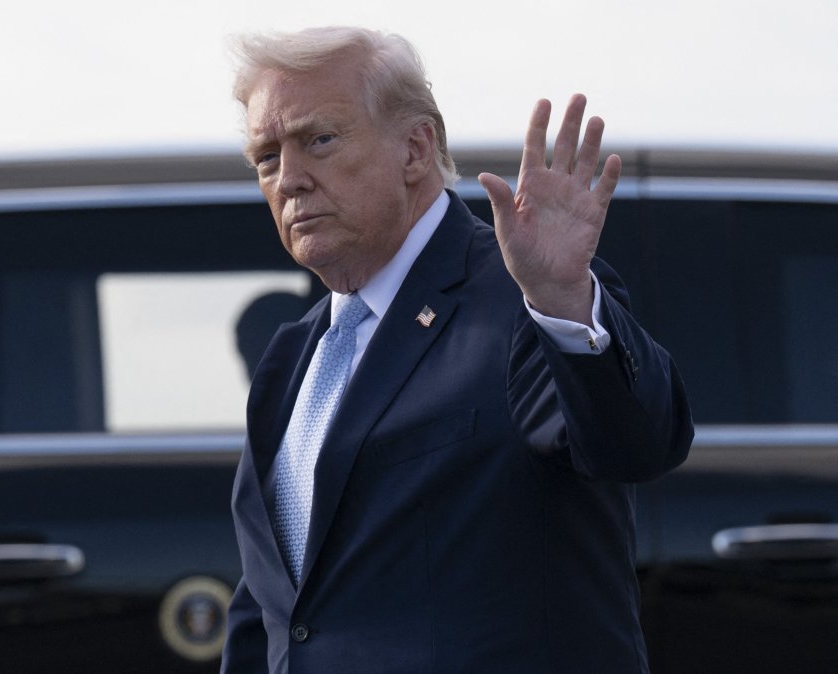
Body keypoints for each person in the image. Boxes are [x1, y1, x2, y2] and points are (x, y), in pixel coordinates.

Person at [223, 27, 693, 674]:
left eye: (319, 140)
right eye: (267, 157)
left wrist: (562, 298)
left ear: (416, 149)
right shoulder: (289, 361)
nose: (291, 179)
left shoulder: (526, 298)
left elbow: (638, 442)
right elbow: (271, 613)